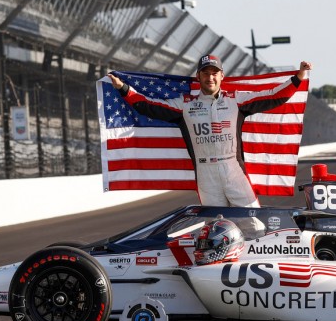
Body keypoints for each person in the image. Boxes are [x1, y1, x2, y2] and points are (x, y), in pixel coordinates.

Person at [108, 54, 312, 207]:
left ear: (222, 75)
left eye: (214, 73)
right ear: (198, 76)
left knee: (252, 222)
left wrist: (298, 77)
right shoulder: (184, 105)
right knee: (216, 227)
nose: (210, 78)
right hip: (205, 173)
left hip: (233, 168)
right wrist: (123, 88)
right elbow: (147, 105)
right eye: (205, 73)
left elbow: (273, 96)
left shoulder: (237, 100)